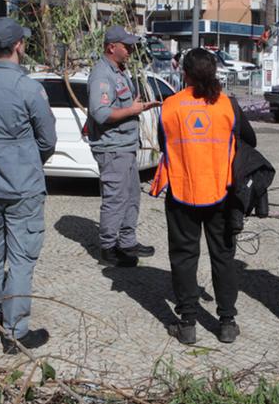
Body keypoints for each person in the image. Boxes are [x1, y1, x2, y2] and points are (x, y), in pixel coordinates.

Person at [0, 18, 57, 354]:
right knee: (20, 258)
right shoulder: (28, 88)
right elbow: (48, 139)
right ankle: (15, 331)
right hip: (22, 186)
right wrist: (30, 159)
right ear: (19, 45)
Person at [151, 49, 256, 345]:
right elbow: (250, 140)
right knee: (223, 257)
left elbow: (164, 143)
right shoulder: (228, 105)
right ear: (214, 73)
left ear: (184, 73)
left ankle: (187, 323)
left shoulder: (170, 106)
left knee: (184, 257)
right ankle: (226, 322)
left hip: (182, 190)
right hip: (221, 192)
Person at [87, 26, 160, 267]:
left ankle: (127, 242)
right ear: (111, 47)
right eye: (126, 46)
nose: (130, 50)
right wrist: (132, 110)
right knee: (116, 198)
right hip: (112, 147)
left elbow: (120, 105)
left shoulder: (119, 71)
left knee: (131, 196)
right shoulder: (101, 74)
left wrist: (137, 106)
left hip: (125, 145)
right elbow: (100, 113)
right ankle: (109, 248)